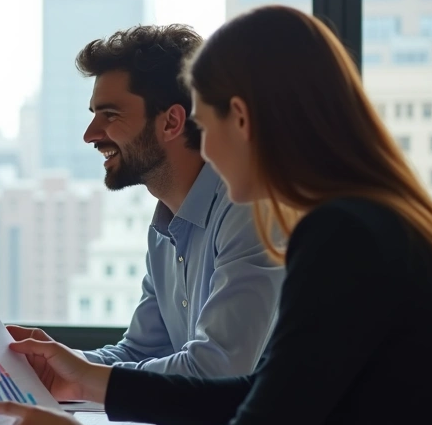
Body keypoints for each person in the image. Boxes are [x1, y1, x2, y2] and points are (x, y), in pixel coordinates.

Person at [0, 6, 432, 425]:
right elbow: (259, 394)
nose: (205, 151)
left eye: (206, 125)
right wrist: (91, 379)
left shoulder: (340, 237)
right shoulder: (377, 219)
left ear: (241, 118)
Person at [64, 24, 284, 377]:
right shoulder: (164, 227)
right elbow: (140, 351)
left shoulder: (248, 208)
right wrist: (49, 365)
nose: (90, 135)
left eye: (110, 115)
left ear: (171, 122)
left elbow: (217, 368)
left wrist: (83, 381)